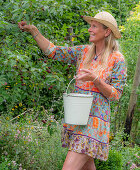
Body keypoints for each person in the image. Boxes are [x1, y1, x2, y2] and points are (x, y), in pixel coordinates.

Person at [18, 11, 127, 170]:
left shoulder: (117, 59)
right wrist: (34, 31)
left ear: (107, 31)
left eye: (94, 26)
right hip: (78, 119)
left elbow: (116, 94)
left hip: (94, 124)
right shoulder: (83, 52)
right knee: (86, 167)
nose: (90, 29)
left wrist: (95, 80)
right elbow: (53, 51)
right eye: (90, 25)